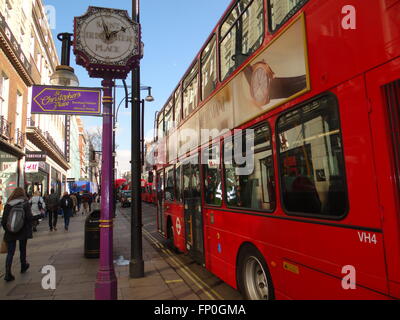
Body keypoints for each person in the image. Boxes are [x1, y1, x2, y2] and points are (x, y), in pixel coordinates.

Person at [1, 188, 33, 282]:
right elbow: (29, 217)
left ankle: (7, 273)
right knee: (22, 249)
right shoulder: (25, 203)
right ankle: (23, 265)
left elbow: (3, 221)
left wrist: (8, 229)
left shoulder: (8, 204)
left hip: (10, 231)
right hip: (23, 231)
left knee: (10, 252)